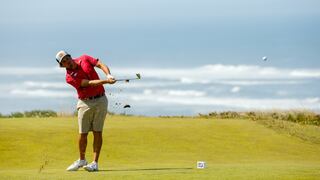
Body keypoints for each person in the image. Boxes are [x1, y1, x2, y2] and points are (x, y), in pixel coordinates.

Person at [55, 50, 116, 172]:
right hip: (84, 103)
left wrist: (108, 74)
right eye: (64, 61)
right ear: (62, 65)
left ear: (70, 56)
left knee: (97, 132)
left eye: (67, 58)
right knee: (83, 133)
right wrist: (106, 81)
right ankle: (82, 160)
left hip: (101, 100)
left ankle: (95, 163)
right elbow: (88, 83)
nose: (67, 61)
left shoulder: (85, 58)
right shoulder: (69, 77)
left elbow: (100, 64)